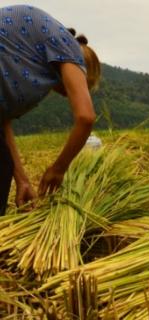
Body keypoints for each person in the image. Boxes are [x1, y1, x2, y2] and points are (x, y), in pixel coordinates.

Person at [0, 5, 101, 215]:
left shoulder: (38, 60)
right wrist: (58, 169)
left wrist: (22, 180)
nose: (66, 95)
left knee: (3, 164)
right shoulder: (69, 50)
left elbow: (2, 120)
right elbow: (86, 118)